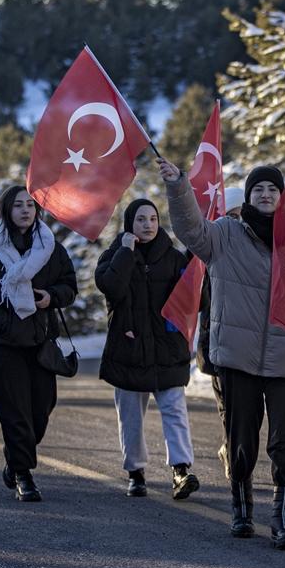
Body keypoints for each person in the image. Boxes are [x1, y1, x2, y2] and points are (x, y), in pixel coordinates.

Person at [160, 159, 285, 552]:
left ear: (281, 197)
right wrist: (179, 187)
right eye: (258, 190)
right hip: (238, 357)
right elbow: (189, 229)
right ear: (249, 196)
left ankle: (283, 520)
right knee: (241, 439)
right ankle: (242, 508)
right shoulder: (225, 234)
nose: (265, 195)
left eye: (272, 189)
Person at [0, 185, 78, 503]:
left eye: (30, 205)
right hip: (2, 343)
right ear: (7, 211)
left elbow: (69, 285)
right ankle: (24, 475)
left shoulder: (51, 248)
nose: (26, 210)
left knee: (41, 409)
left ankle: (15, 461)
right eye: (18, 205)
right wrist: (2, 322)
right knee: (14, 412)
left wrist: (51, 297)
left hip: (40, 340)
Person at [96, 198, 199, 500]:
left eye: (153, 219)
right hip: (128, 349)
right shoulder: (114, 255)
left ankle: (180, 470)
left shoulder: (174, 257)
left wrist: (196, 269)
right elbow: (111, 287)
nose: (148, 225)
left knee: (175, 410)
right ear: (130, 224)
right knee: (130, 415)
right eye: (141, 219)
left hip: (167, 349)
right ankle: (135, 472)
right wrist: (126, 251)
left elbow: (196, 302)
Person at [198, 186, 243, 480]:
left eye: (242, 215)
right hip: (217, 342)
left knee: (247, 409)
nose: (237, 222)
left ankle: (236, 448)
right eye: (231, 215)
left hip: (249, 343)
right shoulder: (209, 253)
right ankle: (233, 450)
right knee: (228, 405)